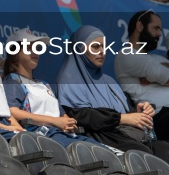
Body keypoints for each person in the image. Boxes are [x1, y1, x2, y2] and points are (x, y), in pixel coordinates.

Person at [57, 25, 169, 159]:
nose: (102, 52)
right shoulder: (69, 78)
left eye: (103, 47)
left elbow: (125, 113)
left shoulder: (108, 80)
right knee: (142, 155)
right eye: (95, 47)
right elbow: (81, 115)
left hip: (123, 134)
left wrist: (138, 113)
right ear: (79, 49)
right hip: (98, 136)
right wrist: (122, 118)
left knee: (163, 148)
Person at [2, 28, 108, 148]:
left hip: (63, 134)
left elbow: (61, 114)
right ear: (14, 53)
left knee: (106, 152)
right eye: (29, 48)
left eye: (37, 48)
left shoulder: (43, 83)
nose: (35, 52)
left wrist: (68, 122)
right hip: (41, 137)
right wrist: (53, 121)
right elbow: (13, 111)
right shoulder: (13, 81)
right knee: (88, 154)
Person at [114, 10, 169, 141]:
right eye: (156, 28)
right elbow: (164, 75)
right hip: (159, 118)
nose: (159, 34)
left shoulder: (155, 58)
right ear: (140, 26)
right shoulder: (126, 55)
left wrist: (157, 79)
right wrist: (161, 77)